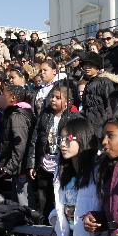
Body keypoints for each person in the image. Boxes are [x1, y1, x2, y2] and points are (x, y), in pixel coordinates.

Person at [26, 86, 79, 224]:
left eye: (58, 98)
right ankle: (45, 227)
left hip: (62, 164)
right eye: (52, 97)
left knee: (60, 198)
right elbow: (34, 140)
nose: (53, 100)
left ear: (67, 102)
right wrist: (32, 163)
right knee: (44, 197)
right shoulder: (45, 115)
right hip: (45, 163)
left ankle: (62, 229)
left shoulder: (72, 118)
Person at [0, 85, 34, 207]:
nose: (1, 98)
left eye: (4, 95)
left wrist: (10, 166)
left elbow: (20, 144)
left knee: (23, 203)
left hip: (20, 167)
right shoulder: (11, 114)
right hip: (16, 166)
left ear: (12, 98)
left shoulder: (17, 116)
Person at [79, 52, 117, 133]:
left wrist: (110, 123)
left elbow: (111, 103)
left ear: (97, 67)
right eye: (85, 64)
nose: (87, 67)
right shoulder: (89, 83)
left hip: (101, 123)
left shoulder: (104, 81)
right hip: (90, 122)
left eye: (90, 65)